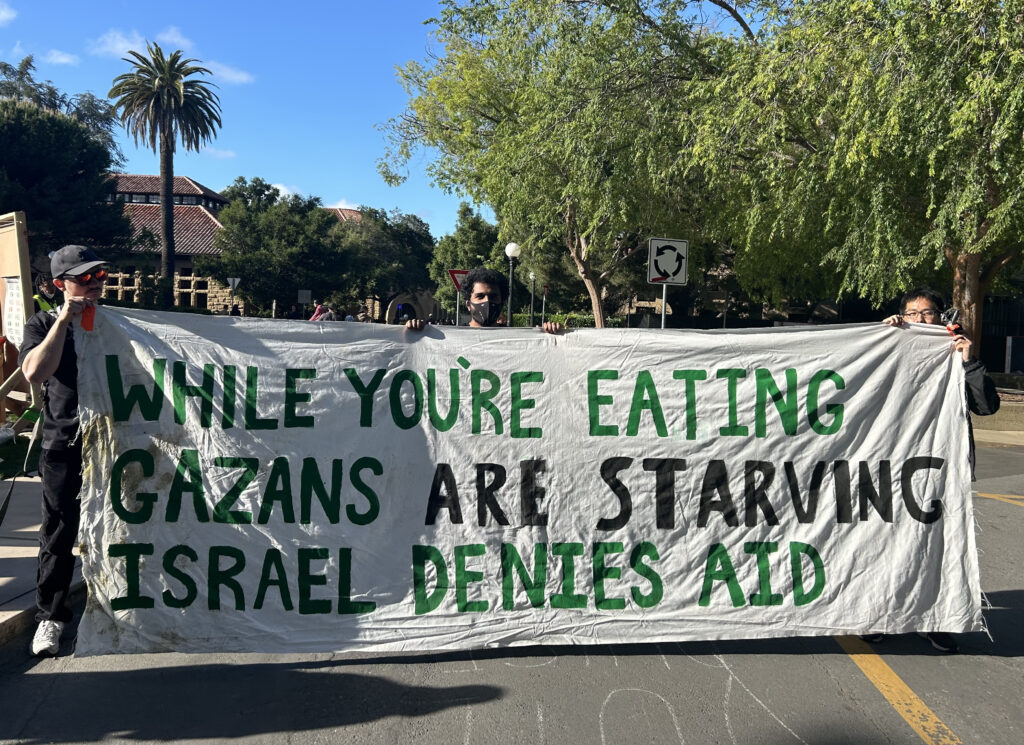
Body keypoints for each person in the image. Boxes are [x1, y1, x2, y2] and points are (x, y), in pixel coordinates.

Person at [866, 287, 1000, 654]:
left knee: (937, 548)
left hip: (942, 472)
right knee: (888, 546)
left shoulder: (955, 353)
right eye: (912, 313)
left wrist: (968, 362)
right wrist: (880, 338)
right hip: (892, 469)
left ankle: (936, 619)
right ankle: (881, 616)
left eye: (928, 313)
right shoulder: (890, 345)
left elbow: (986, 406)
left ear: (942, 317)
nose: (920, 319)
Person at [20, 246, 108, 656]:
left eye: (99, 277)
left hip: (115, 445)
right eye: (83, 279)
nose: (94, 285)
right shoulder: (41, 324)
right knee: (58, 532)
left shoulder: (118, 324)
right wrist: (64, 322)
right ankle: (51, 619)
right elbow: (36, 372)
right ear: (60, 285)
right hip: (62, 444)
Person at [405, 266, 563, 333]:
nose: (487, 302)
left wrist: (550, 334)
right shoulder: (451, 337)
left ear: (502, 301)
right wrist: (413, 333)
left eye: (493, 296)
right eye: (480, 296)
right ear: (468, 304)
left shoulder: (516, 338)